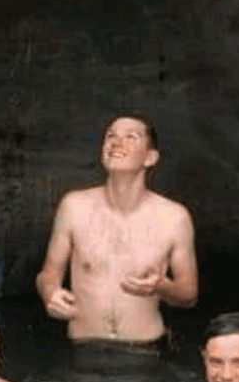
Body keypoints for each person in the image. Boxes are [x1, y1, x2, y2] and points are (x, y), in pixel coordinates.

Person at [36, 114, 198, 344]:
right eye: (110, 136)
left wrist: (161, 286)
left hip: (146, 348)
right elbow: (47, 275)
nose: (116, 142)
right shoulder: (73, 207)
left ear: (150, 157)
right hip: (84, 346)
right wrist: (49, 293)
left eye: (131, 137)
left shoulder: (175, 217)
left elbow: (189, 295)